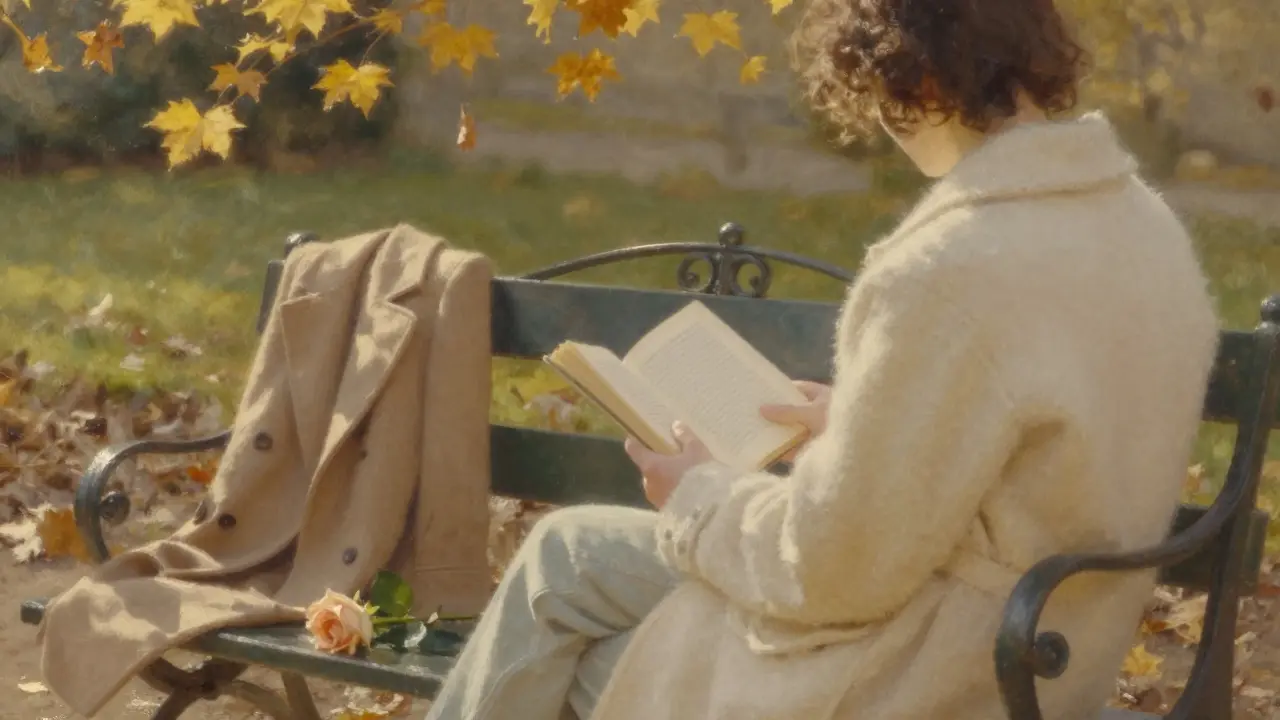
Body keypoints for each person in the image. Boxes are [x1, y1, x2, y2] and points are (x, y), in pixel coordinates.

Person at [424, 0, 1221, 717]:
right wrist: (867, 423)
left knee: (568, 607)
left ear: (918, 80)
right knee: (571, 581)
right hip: (1051, 654)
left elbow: (833, 570)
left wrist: (696, 496)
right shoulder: (1145, 230)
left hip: (922, 674)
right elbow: (1047, 438)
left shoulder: (948, 268)